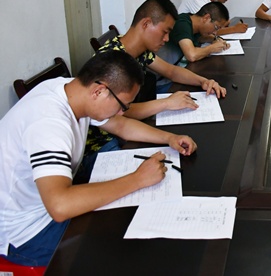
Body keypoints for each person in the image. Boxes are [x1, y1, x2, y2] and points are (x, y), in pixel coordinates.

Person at [0, 51, 198, 266]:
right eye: (122, 105)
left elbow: (121, 126)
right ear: (100, 91)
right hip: (27, 232)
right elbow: (60, 206)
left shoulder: (72, 90)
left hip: (47, 203)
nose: (122, 112)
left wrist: (169, 138)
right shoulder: (48, 122)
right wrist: (138, 179)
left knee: (128, 219)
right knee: (119, 248)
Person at [84, 0, 225, 172]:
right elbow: (121, 113)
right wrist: (166, 103)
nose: (167, 39)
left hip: (124, 130)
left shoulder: (138, 50)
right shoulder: (111, 61)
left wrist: (203, 81)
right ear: (146, 24)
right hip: (101, 144)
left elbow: (171, 71)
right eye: (165, 32)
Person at [158, 1, 232, 65]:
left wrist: (215, 39)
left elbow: (199, 38)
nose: (215, 32)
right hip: (165, 71)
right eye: (216, 27)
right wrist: (212, 48)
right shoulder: (182, 24)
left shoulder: (194, 23)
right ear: (206, 18)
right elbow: (191, 55)